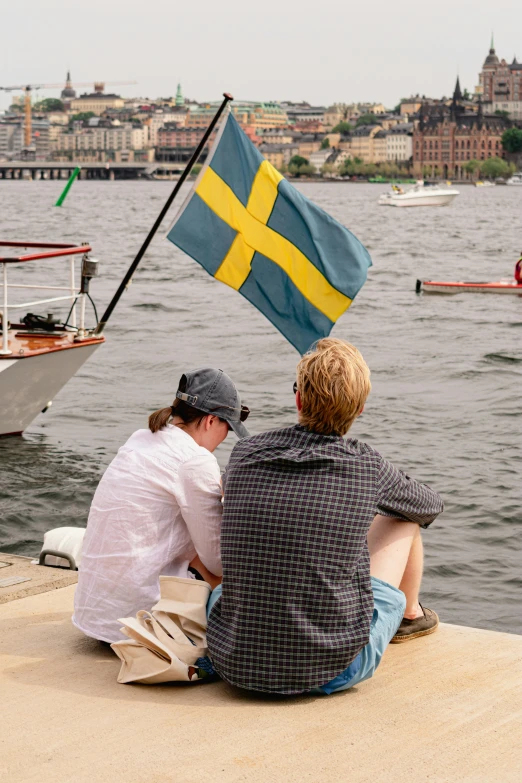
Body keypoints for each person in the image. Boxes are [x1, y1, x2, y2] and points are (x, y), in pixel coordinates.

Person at [207, 338, 443, 695]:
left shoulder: (244, 453)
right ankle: (411, 614)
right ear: (360, 408)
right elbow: (428, 506)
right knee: (405, 518)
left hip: (235, 662)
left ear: (298, 398)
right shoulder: (368, 465)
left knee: (224, 591)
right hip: (331, 670)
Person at [73, 368, 249, 644]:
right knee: (232, 563)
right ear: (211, 420)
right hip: (142, 624)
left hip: (96, 618)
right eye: (228, 428)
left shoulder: (139, 440)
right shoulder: (194, 460)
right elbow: (217, 560)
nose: (226, 437)